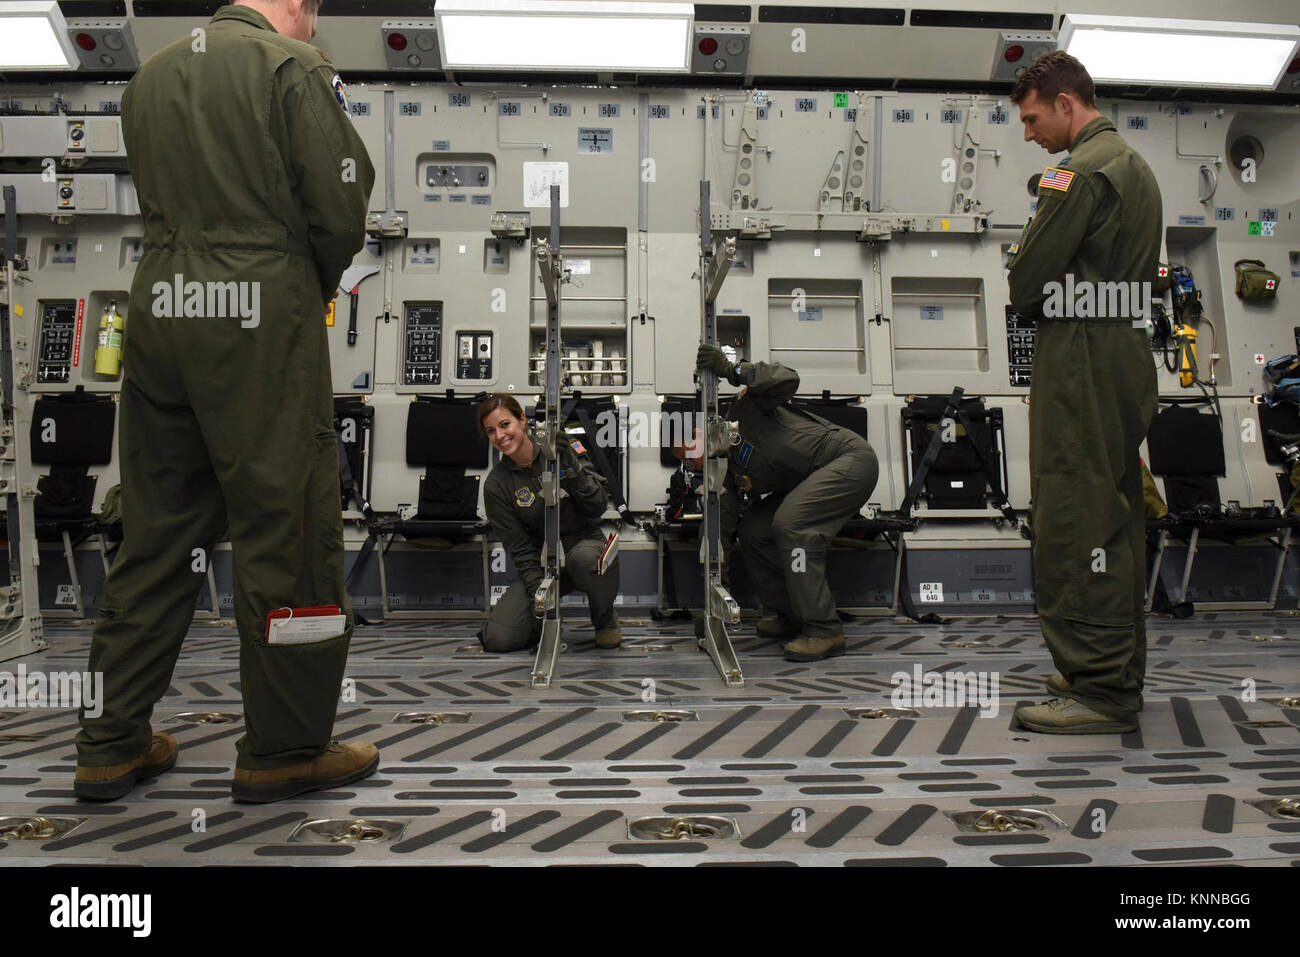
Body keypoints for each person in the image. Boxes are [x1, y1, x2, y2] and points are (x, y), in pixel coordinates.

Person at [74, 0, 380, 802]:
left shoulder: (150, 78)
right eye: (314, 16)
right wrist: (299, 280)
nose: (315, 31)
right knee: (290, 525)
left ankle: (109, 739)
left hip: (161, 305)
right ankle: (285, 747)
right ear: (297, 6)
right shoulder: (293, 65)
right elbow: (341, 207)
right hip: (255, 309)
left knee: (155, 528)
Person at [1006, 50, 1162, 734]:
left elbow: (1026, 282)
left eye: (1034, 117)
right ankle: (1113, 664)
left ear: (1067, 103)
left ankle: (1100, 687)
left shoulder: (1077, 172)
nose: (1029, 132)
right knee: (1115, 510)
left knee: (1074, 514)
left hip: (1083, 356)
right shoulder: (1137, 166)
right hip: (1124, 347)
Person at [690, 348, 878, 662]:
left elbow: (788, 379)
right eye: (691, 459)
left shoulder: (743, 409)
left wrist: (732, 370)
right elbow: (717, 531)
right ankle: (790, 614)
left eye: (693, 441)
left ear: (707, 431)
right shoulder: (729, 472)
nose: (693, 453)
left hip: (849, 460)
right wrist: (714, 608)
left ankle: (824, 629)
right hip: (810, 480)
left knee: (792, 524)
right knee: (753, 530)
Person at [479, 394, 622, 651]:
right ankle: (538, 624)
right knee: (498, 638)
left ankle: (605, 619)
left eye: (505, 425)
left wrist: (570, 468)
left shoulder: (565, 448)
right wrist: (544, 605)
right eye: (491, 431)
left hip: (583, 544)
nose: (499, 436)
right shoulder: (496, 485)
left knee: (586, 560)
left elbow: (597, 504)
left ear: (522, 420)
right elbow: (520, 550)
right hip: (542, 562)